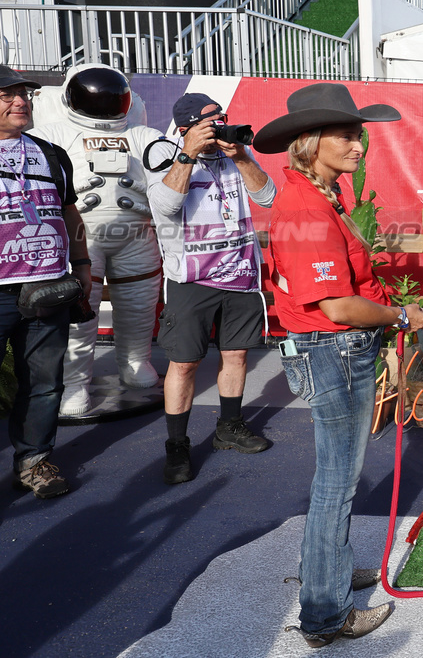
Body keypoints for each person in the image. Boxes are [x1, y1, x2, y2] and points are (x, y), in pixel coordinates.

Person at [253, 82, 423, 647]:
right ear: (309, 143)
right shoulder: (306, 205)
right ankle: (326, 614)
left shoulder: (322, 195)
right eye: (347, 136)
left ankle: (327, 575)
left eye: (359, 135)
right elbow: (339, 306)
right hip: (333, 350)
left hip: (335, 350)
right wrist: (400, 316)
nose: (359, 145)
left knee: (336, 479)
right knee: (337, 483)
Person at [145, 92, 275, 485]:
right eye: (211, 121)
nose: (220, 126)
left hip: (240, 277)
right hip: (191, 280)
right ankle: (177, 445)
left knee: (236, 357)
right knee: (184, 363)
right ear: (186, 127)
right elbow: (164, 207)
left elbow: (267, 195)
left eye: (222, 118)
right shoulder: (165, 154)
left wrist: (240, 156)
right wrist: (187, 154)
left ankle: (229, 427)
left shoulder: (234, 157)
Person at [31, 64, 164, 416]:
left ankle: (136, 362)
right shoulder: (52, 135)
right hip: (80, 237)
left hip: (136, 234)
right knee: (79, 309)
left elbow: (170, 186)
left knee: (138, 304)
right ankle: (74, 385)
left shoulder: (143, 135)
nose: (104, 100)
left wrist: (140, 188)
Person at [0, 65, 92, 498]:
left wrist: (83, 264)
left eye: (24, 93)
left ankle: (34, 461)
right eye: (7, 95)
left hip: (47, 286)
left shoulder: (51, 153)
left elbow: (70, 213)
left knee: (44, 382)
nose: (21, 101)